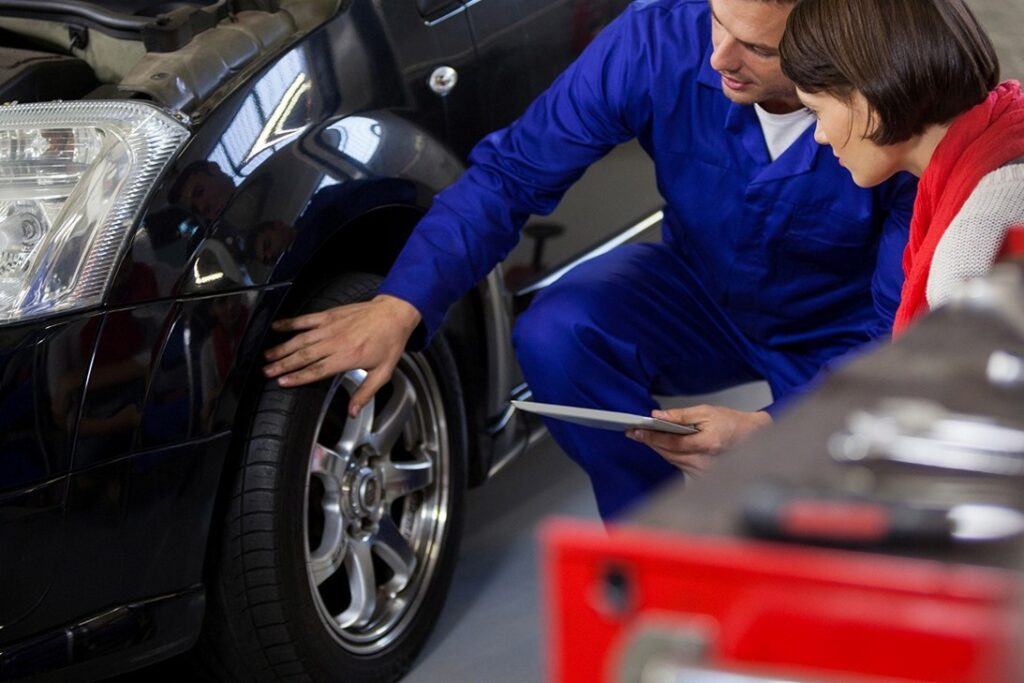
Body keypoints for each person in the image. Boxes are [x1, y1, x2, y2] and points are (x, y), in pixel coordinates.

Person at [263, 0, 917, 520]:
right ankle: (659, 536)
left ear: (829, 42)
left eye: (759, 47)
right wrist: (400, 302)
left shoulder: (900, 101)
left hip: (842, 331)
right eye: (719, 20)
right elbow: (512, 174)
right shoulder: (657, 44)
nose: (720, 56)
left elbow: (900, 331)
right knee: (558, 331)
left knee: (853, 525)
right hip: (699, 291)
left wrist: (771, 428)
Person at [779, 0, 1024, 336]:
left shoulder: (972, 250)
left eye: (816, 111)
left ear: (869, 98)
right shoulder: (1002, 160)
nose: (819, 135)